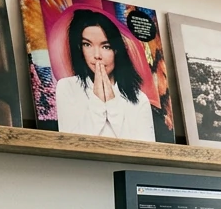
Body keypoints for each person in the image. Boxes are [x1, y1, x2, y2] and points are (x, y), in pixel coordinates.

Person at [54, 9, 155, 141]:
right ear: (80, 47)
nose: (97, 55)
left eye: (106, 46)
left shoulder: (139, 99)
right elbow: (69, 142)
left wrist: (112, 104)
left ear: (117, 50)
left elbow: (143, 149)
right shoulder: (67, 87)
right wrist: (97, 101)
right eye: (87, 44)